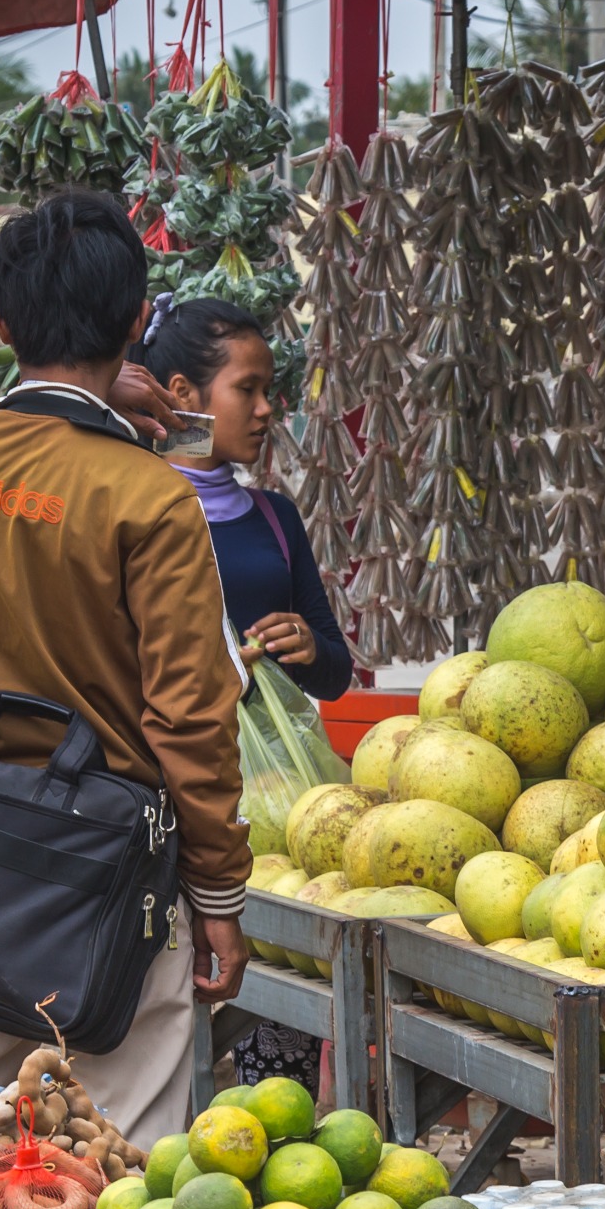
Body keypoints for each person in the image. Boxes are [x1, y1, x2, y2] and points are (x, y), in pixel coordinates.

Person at [0, 191, 253, 1198]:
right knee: (118, 1141)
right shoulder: (152, 498)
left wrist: (104, 388)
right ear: (138, 322)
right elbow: (191, 719)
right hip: (108, 873)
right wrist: (218, 894)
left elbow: (27, 442)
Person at [129, 297, 357, 1094]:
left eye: (270, 392)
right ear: (185, 393)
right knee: (156, 1023)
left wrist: (306, 646)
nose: (266, 411)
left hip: (266, 807)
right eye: (248, 390)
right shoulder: (133, 507)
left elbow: (335, 670)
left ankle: (275, 1153)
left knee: (275, 1011)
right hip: (161, 798)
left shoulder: (272, 517)